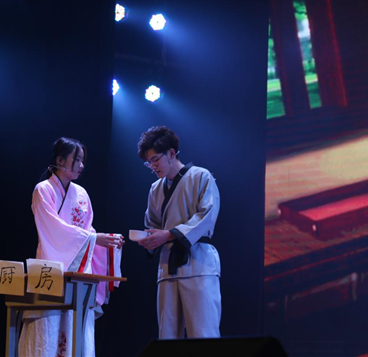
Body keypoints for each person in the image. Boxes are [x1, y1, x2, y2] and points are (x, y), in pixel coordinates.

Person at [18, 137, 124, 357]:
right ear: (60, 160)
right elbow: (52, 228)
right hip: (48, 269)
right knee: (47, 328)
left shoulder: (82, 194)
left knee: (77, 326)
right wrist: (93, 239)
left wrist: (108, 243)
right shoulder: (43, 190)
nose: (81, 165)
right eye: (77, 160)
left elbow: (88, 229)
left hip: (79, 271)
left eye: (83, 160)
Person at [136, 126, 221, 339]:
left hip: (198, 263)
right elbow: (152, 224)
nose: (153, 166)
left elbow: (207, 216)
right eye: (149, 162)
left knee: (203, 334)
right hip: (167, 267)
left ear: (171, 153)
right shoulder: (155, 189)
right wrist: (149, 239)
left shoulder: (201, 176)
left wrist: (168, 235)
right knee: (167, 337)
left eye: (155, 160)